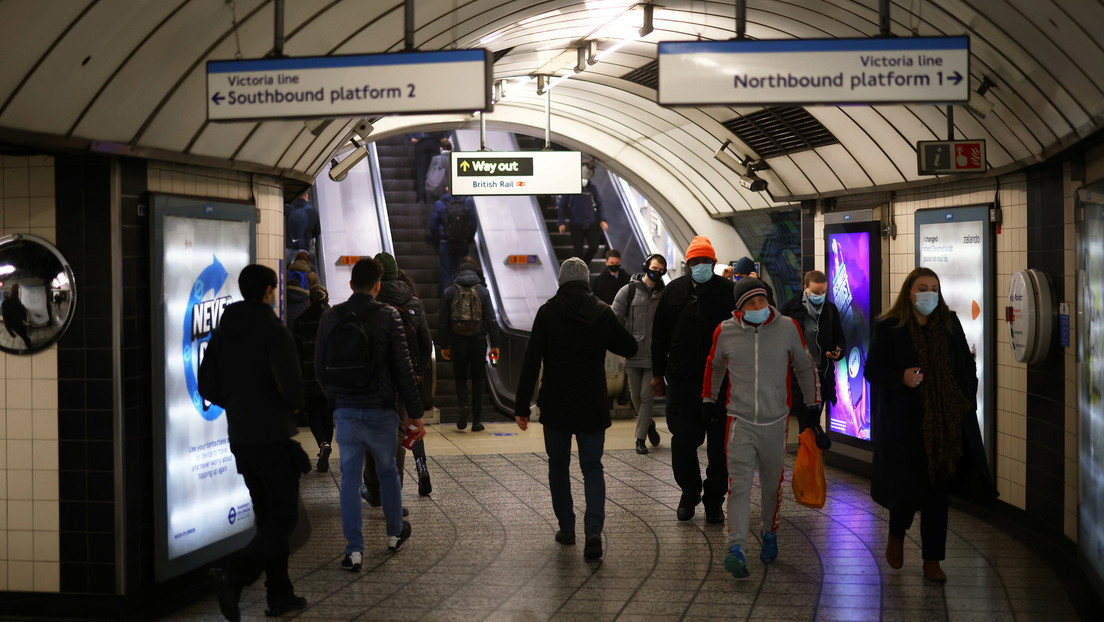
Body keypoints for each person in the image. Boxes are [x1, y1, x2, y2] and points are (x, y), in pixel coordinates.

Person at [865, 267, 995, 583]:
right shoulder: (889, 326)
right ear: (909, 292)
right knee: (907, 490)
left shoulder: (948, 325)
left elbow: (966, 363)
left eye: (934, 288)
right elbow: (872, 370)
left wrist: (964, 397)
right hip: (905, 425)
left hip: (944, 426)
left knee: (938, 495)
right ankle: (897, 534)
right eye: (922, 287)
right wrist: (901, 378)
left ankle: (932, 560)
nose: (929, 294)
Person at [197, 264, 307, 621]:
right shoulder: (274, 332)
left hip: (241, 437)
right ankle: (236, 573)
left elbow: (207, 385)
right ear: (267, 291)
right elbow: (292, 389)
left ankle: (280, 594)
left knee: (268, 518)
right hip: (273, 436)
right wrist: (283, 405)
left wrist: (241, 403)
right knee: (285, 517)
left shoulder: (224, 331)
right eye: (274, 289)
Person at [514, 257, 637, 560]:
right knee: (592, 467)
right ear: (586, 280)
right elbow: (629, 347)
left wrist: (521, 407)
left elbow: (531, 362)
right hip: (592, 402)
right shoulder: (602, 312)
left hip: (556, 401)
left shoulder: (547, 312)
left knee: (558, 466)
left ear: (561, 280)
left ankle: (566, 528)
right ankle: (593, 529)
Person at [703, 278, 821, 578]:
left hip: (775, 422)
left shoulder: (787, 328)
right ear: (739, 307)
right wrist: (708, 399)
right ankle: (736, 548)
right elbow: (714, 365)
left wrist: (812, 403)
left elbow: (805, 366)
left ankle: (769, 532)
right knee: (738, 487)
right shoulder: (725, 331)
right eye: (749, 304)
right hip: (739, 421)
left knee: (771, 486)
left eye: (760, 301)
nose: (757, 307)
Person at [314, 258, 425, 571]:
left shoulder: (331, 316)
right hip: (381, 409)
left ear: (350, 285)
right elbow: (402, 368)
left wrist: (336, 397)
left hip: (346, 410)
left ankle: (354, 550)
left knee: (350, 478)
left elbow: (319, 366)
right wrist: (415, 413)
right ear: (378, 286)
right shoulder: (388, 316)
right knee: (387, 470)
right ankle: (393, 533)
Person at [650, 236, 734, 523]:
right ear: (688, 265)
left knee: (720, 446)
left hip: (721, 382)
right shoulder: (673, 292)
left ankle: (714, 500)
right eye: (696, 262)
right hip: (683, 380)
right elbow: (659, 335)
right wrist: (656, 373)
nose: (701, 266)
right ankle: (689, 494)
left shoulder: (728, 292)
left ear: (713, 262)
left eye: (706, 262)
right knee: (683, 441)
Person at [362, 253, 434, 502]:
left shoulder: (370, 303)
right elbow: (426, 343)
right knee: (404, 430)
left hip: (374, 380)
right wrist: (418, 373)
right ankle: (413, 475)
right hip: (407, 378)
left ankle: (373, 489)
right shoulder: (412, 301)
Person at [611, 253, 667, 454]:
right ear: (646, 266)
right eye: (654, 267)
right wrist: (619, 344)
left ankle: (640, 439)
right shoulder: (629, 291)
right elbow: (614, 319)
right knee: (635, 397)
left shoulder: (665, 294)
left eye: (661, 269)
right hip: (633, 352)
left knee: (646, 396)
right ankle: (649, 424)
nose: (657, 272)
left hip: (655, 355)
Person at [778, 270, 846, 431]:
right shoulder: (790, 309)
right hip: (796, 377)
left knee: (812, 424)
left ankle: (811, 454)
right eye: (815, 292)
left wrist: (839, 351)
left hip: (821, 376)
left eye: (823, 292)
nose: (820, 296)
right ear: (805, 288)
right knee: (804, 423)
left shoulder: (830, 310)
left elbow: (840, 338)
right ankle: (807, 453)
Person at [439, 257, 501, 432]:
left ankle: (463, 405)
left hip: (457, 340)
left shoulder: (450, 291)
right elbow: (491, 319)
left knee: (460, 377)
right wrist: (495, 344)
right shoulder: (483, 291)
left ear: (460, 272)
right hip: (478, 340)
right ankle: (477, 421)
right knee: (477, 379)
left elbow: (443, 321)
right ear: (475, 272)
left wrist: (443, 345)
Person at [292, 284, 333, 471]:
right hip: (331, 375)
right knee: (327, 415)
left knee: (314, 414)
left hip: (309, 375)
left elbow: (296, 352)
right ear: (327, 300)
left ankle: (322, 444)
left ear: (309, 300)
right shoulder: (336, 318)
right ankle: (327, 446)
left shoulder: (301, 320)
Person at [428, 187, 478, 294]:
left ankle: (446, 301)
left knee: (446, 272)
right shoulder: (468, 202)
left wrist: (438, 240)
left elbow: (433, 225)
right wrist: (468, 239)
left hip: (445, 243)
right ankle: (461, 300)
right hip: (462, 243)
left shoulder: (440, 204)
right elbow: (474, 223)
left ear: (447, 189)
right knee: (461, 272)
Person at [557, 163, 607, 265]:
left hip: (591, 222)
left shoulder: (592, 188)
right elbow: (562, 206)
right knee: (578, 251)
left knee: (594, 247)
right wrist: (561, 222)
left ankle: (584, 264)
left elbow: (599, 204)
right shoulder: (570, 188)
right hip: (576, 224)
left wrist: (602, 219)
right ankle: (580, 269)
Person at [412, 132, 442, 203]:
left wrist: (410, 136)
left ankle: (421, 196)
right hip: (435, 140)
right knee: (435, 170)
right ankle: (434, 195)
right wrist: (445, 136)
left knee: (421, 170)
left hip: (421, 139)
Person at [2, 283, 32, 349]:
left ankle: (28, 342)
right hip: (16, 324)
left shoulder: (12, 300)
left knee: (24, 334)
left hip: (18, 323)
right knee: (24, 335)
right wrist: (11, 332)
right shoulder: (7, 303)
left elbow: (19, 305)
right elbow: (6, 319)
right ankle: (29, 344)